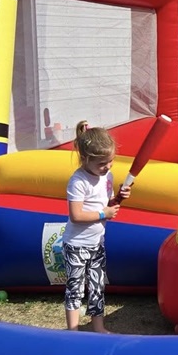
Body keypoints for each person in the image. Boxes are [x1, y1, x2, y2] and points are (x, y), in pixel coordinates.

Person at [62, 121, 130, 333]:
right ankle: (73, 331)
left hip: (96, 242)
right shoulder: (78, 181)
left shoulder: (106, 176)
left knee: (97, 286)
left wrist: (120, 198)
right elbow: (76, 216)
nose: (108, 166)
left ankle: (98, 327)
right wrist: (103, 214)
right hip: (76, 245)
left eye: (111, 161)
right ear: (85, 159)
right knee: (75, 288)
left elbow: (108, 205)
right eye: (102, 163)